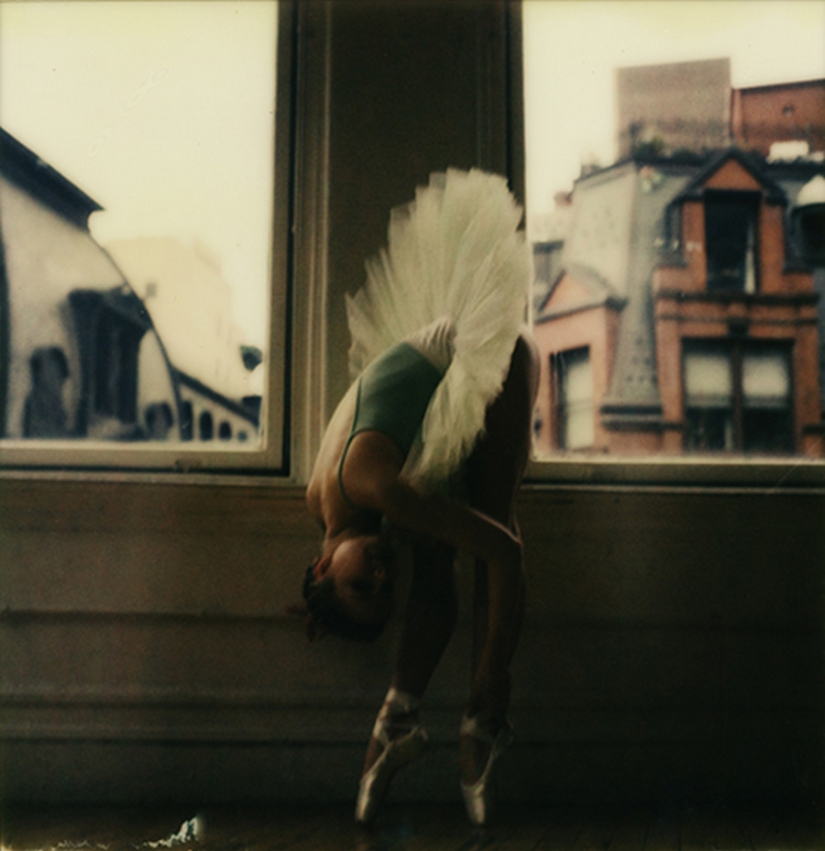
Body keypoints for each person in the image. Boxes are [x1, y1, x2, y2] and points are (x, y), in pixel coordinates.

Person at [298, 169, 538, 827]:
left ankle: (480, 716)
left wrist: (493, 669)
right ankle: (397, 717)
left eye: (360, 582)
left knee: (489, 521)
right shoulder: (325, 504)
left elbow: (505, 550)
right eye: (382, 589)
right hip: (435, 384)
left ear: (322, 566)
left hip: (493, 351)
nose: (380, 573)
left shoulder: (368, 487)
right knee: (433, 554)